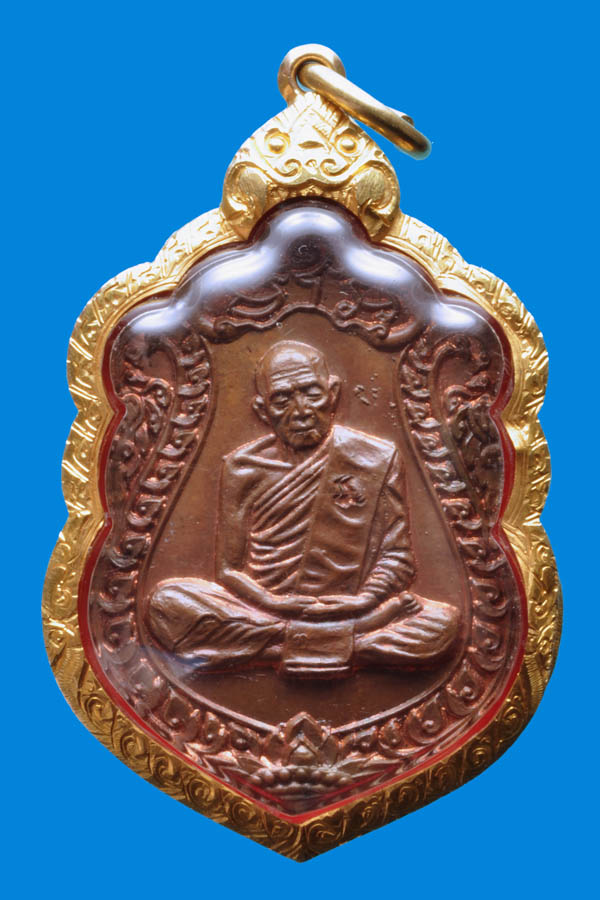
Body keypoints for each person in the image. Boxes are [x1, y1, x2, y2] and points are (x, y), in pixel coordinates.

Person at [148, 341, 460, 677]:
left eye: (311, 393)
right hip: (266, 609)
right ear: (262, 410)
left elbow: (398, 558)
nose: (301, 411)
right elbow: (229, 569)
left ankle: (281, 646)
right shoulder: (242, 467)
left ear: (333, 394)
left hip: (353, 608)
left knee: (443, 622)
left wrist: (365, 601)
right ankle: (347, 642)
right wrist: (275, 603)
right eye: (282, 399)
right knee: (168, 603)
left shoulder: (376, 458)